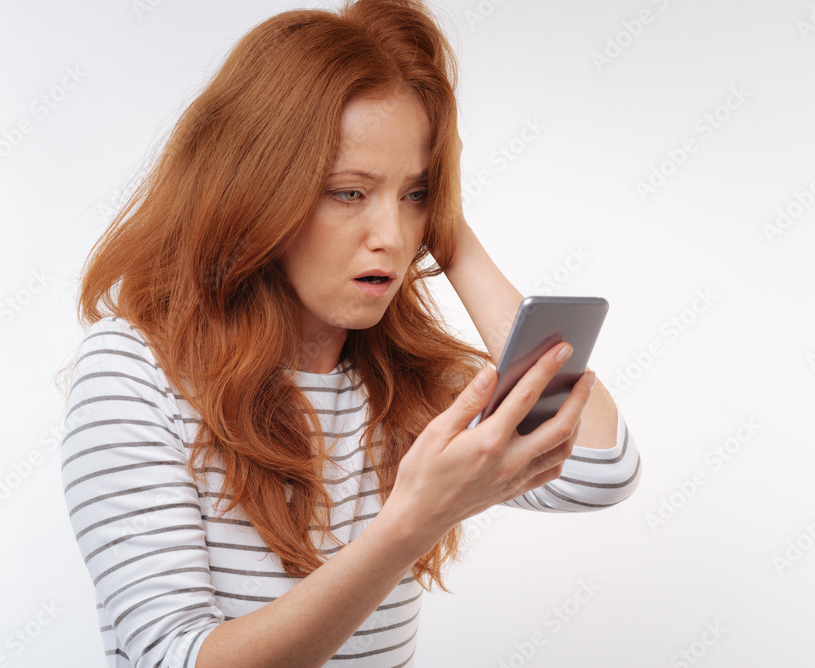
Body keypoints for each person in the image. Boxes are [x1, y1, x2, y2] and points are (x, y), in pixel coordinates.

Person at [58, 1, 641, 666]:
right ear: (254, 193)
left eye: (414, 195)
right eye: (349, 192)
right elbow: (176, 657)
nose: (391, 238)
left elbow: (600, 468)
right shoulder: (136, 373)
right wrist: (408, 525)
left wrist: (453, 239)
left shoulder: (399, 381)